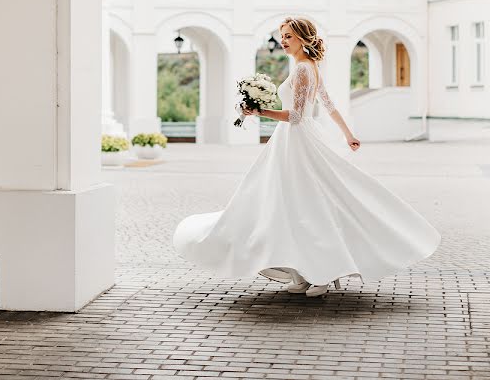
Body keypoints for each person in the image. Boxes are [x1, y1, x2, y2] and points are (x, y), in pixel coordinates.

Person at [172, 17, 441, 296]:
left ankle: (322, 274)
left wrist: (259, 112)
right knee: (291, 206)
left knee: (305, 205)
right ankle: (301, 274)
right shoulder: (311, 67)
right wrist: (348, 134)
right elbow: (329, 105)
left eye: (288, 36)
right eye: (282, 36)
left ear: (303, 38)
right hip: (292, 141)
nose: (283, 41)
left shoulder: (303, 69)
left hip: (297, 142)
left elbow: (297, 116)